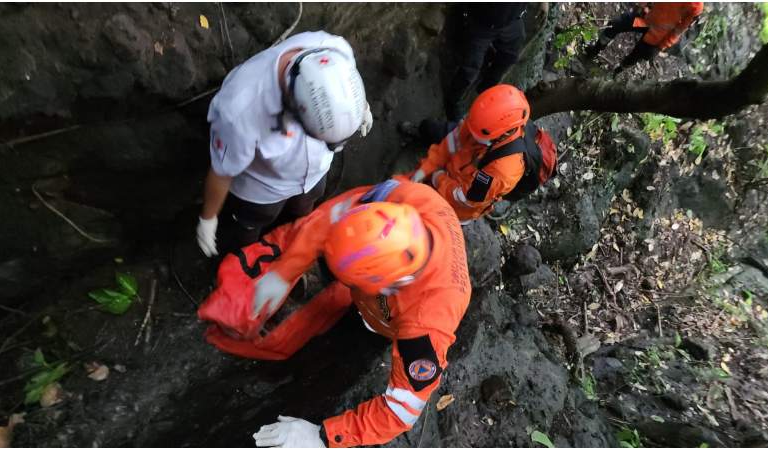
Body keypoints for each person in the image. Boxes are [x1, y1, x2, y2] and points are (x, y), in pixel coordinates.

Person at [203, 178, 471, 447]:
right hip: (374, 301)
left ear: (391, 287)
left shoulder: (425, 328)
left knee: (352, 351)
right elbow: (329, 219)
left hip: (382, 323)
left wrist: (324, 436)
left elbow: (400, 412)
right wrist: (285, 271)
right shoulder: (404, 197)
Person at [196, 31, 374, 258]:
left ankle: (292, 245)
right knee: (251, 226)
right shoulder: (241, 111)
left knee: (304, 208)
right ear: (295, 115)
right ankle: (246, 260)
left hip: (315, 174)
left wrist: (361, 110)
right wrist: (208, 217)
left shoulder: (334, 50)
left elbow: (343, 88)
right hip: (263, 189)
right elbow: (222, 171)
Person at [408, 84, 555, 223]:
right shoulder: (486, 118)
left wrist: (437, 178)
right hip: (456, 170)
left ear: (502, 135)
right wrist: (426, 168)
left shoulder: (502, 172)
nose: (469, 132)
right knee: (430, 129)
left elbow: (465, 198)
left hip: (458, 205)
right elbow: (452, 142)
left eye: (476, 134)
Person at [444, 3, 531, 121]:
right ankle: (453, 100)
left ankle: (487, 87)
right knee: (469, 69)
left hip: (511, 20)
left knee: (510, 55)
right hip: (482, 23)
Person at [585, 2, 704, 73]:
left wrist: (661, 47)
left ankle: (616, 72)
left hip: (657, 35)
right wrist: (643, 4)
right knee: (616, 25)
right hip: (645, 18)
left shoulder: (696, 7)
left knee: (634, 57)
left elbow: (679, 30)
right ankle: (594, 51)